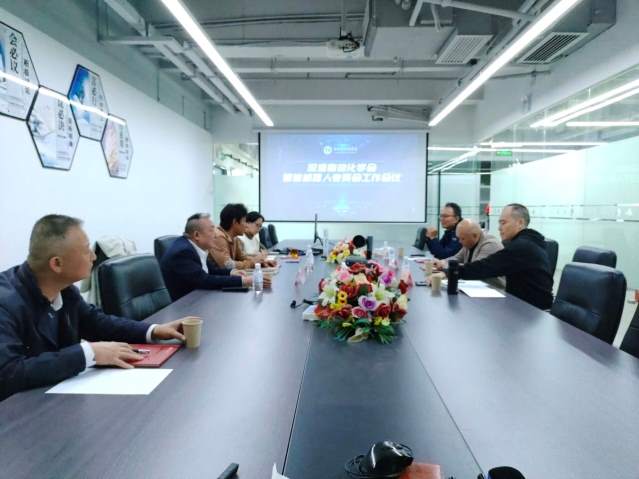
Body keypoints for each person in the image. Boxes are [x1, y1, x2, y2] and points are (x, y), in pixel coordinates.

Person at [0, 215, 186, 401]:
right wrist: (89, 353)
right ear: (57, 263)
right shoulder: (5, 302)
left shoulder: (64, 289)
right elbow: (8, 373)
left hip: (57, 400)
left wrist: (154, 330)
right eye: (85, 250)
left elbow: (98, 323)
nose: (94, 257)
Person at [456, 204, 554, 310]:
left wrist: (452, 271)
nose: (499, 228)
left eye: (503, 223)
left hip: (532, 310)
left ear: (520, 223)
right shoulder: (527, 242)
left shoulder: (522, 247)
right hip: (522, 305)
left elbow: (485, 267)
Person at [160, 213, 259, 301]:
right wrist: (243, 281)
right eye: (211, 230)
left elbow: (211, 270)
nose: (215, 235)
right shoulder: (183, 252)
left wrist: (232, 272)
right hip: (186, 307)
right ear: (197, 235)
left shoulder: (195, 247)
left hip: (199, 298)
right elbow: (204, 280)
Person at [432, 219, 505, 288]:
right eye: (459, 238)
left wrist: (448, 272)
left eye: (462, 239)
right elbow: (456, 258)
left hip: (493, 289)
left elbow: (475, 269)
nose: (460, 242)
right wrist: (442, 262)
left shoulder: (490, 245)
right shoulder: (469, 243)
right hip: (475, 287)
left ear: (475, 235)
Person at [210, 204, 276, 270]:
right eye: (244, 221)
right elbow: (228, 265)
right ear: (235, 222)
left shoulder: (234, 238)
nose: (246, 225)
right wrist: (252, 263)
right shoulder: (219, 237)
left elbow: (242, 257)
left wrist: (261, 262)